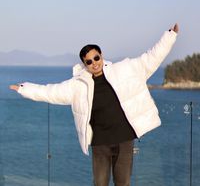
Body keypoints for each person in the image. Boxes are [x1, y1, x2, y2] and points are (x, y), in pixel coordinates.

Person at [10, 23, 179, 186]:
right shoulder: (78, 85)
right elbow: (51, 92)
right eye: (89, 61)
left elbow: (151, 58)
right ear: (85, 64)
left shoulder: (124, 70)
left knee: (123, 183)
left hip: (124, 140)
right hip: (100, 143)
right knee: (99, 184)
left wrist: (169, 36)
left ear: (101, 55)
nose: (94, 63)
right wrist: (24, 89)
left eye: (96, 58)